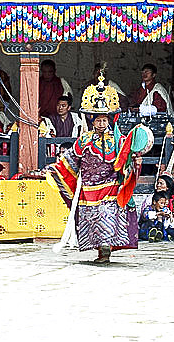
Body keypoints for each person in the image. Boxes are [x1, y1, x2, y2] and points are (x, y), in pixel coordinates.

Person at [47, 75, 151, 264]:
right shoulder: (84, 140)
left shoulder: (118, 140)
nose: (102, 124)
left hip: (110, 187)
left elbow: (127, 159)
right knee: (93, 221)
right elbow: (70, 159)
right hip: (89, 190)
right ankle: (99, 250)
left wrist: (134, 161)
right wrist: (55, 168)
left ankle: (105, 251)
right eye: (98, 121)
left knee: (106, 218)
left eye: (104, 120)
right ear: (92, 121)